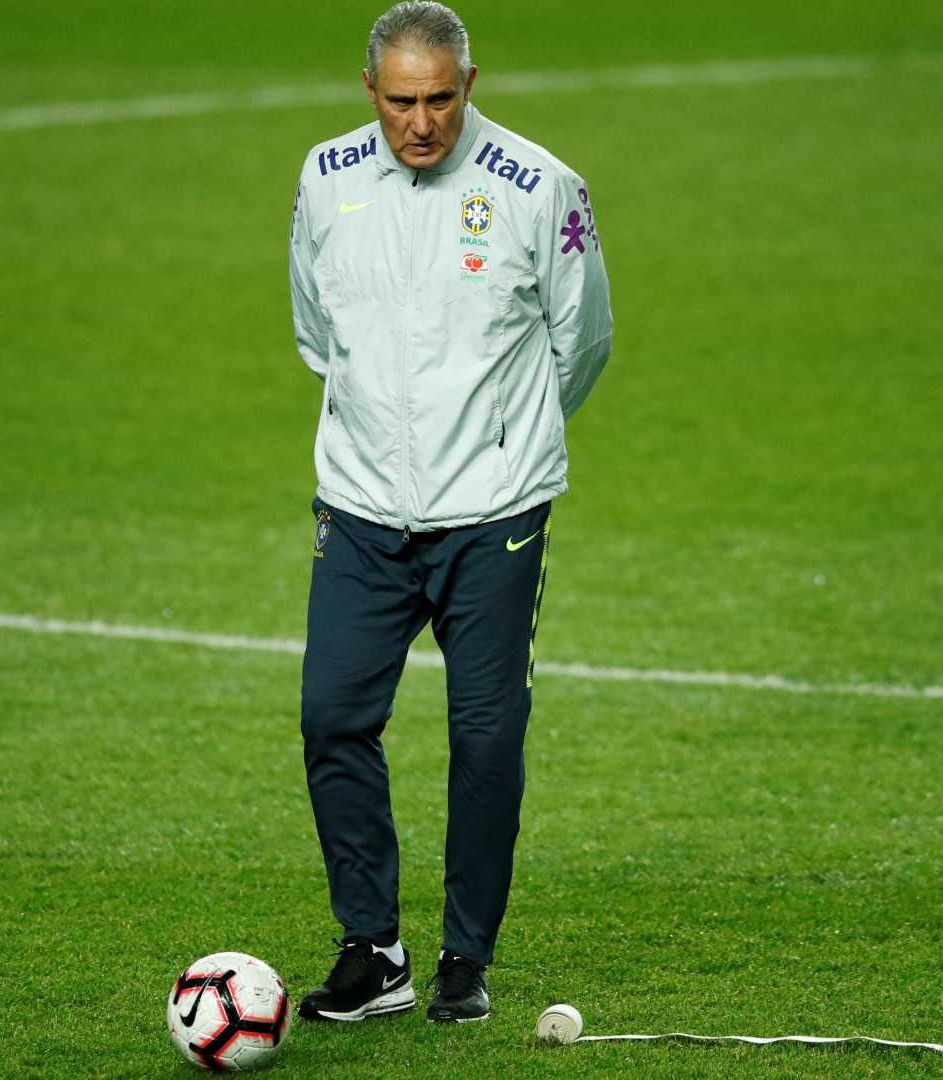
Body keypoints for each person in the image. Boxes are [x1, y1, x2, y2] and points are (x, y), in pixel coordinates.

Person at [288, 1, 612, 1025]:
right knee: (333, 716)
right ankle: (371, 950)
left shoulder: (538, 186)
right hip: (361, 508)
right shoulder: (325, 180)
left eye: (438, 100)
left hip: (494, 516)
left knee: (484, 736)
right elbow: (314, 330)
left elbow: (584, 340)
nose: (419, 123)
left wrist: (502, 445)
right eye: (399, 102)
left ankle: (464, 956)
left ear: (469, 86)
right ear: (370, 94)